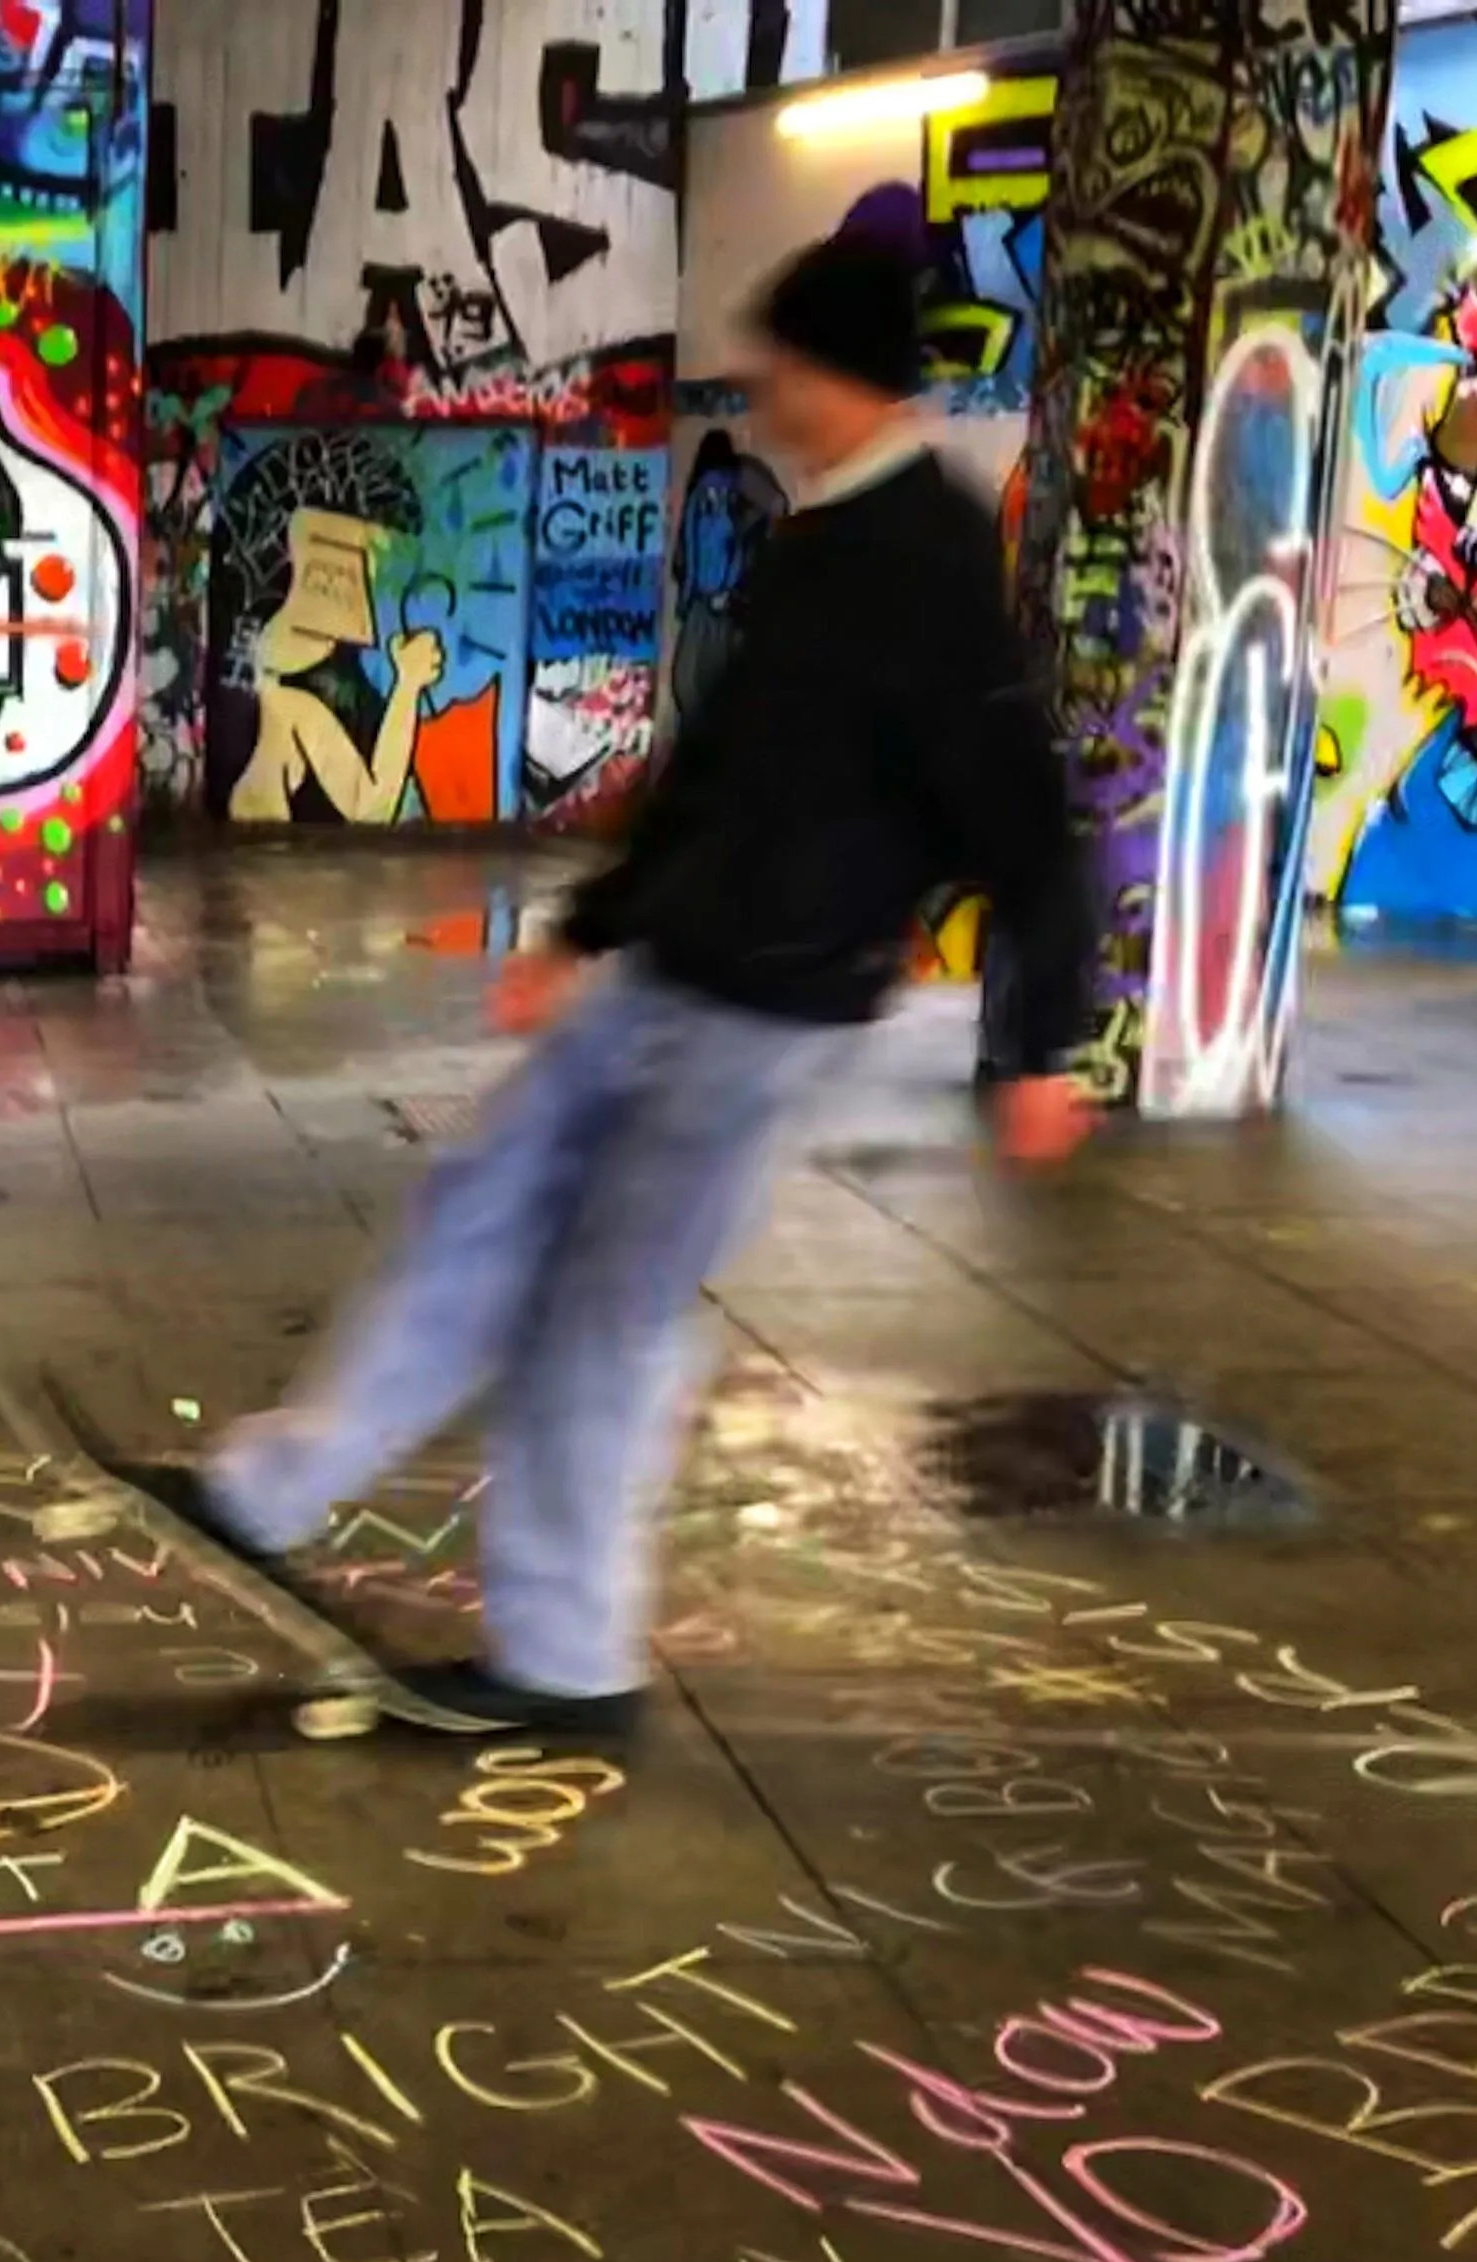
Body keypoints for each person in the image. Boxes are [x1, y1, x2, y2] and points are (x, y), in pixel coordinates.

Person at [160, 229, 1098, 1739]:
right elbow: (712, 773)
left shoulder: (924, 560)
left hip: (769, 1017)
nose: (761, 390)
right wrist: (586, 928)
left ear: (838, 376)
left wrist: (1043, 1042)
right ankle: (267, 1490)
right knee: (478, 1205)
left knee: (604, 1312)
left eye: (781, 365)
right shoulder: (818, 540)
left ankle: (566, 1656)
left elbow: (1023, 819)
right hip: (670, 974)